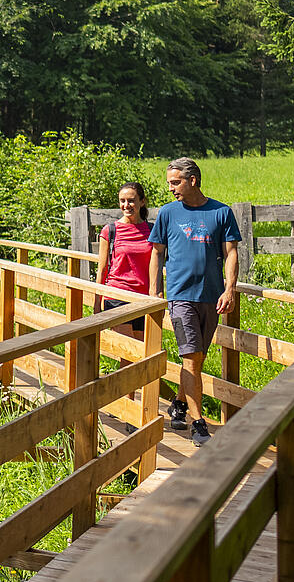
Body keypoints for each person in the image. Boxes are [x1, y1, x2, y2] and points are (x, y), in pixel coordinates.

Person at [148, 157, 241, 445]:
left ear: (193, 180)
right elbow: (157, 253)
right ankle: (197, 422)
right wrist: (155, 292)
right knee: (190, 356)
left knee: (197, 359)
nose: (171, 188)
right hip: (180, 295)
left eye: (175, 182)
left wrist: (229, 290)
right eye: (170, 183)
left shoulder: (221, 213)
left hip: (211, 296)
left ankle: (178, 403)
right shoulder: (168, 213)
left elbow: (231, 253)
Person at [96, 182, 153, 337]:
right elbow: (102, 269)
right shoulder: (110, 230)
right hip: (117, 296)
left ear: (142, 202)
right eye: (122, 201)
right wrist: (97, 303)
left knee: (142, 353)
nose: (126, 205)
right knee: (128, 355)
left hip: (143, 298)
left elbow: (157, 265)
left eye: (131, 200)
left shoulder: (152, 230)